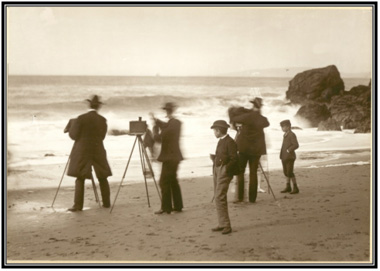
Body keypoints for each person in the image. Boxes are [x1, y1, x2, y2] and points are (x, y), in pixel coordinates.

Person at [66, 95, 112, 212]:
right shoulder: (102, 120)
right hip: (98, 150)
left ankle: (78, 206)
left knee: (80, 178)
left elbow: (73, 136)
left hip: (82, 151)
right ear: (98, 107)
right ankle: (106, 203)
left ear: (89, 105)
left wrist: (70, 128)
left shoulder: (80, 118)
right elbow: (102, 136)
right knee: (102, 177)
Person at [230, 97, 270, 203]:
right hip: (256, 150)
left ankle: (240, 197)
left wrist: (243, 110)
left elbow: (235, 119)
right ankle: (252, 199)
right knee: (253, 173)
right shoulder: (261, 119)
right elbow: (266, 123)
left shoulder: (247, 116)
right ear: (260, 107)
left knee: (241, 172)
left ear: (253, 105)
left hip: (244, 149)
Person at [150, 102, 183, 214]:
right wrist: (156, 121)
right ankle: (178, 206)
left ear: (167, 111)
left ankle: (166, 208)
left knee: (163, 182)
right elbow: (166, 126)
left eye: (166, 111)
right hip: (174, 157)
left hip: (170, 158)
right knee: (173, 180)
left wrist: (154, 130)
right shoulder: (176, 123)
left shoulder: (172, 124)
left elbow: (159, 138)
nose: (166, 113)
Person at [210, 120, 239, 235]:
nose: (214, 133)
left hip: (223, 171)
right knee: (218, 197)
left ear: (219, 131)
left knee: (219, 197)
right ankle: (222, 223)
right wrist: (214, 159)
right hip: (217, 168)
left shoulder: (230, 142)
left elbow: (234, 159)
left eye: (214, 130)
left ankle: (226, 225)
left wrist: (226, 170)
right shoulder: (222, 140)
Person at [279, 119, 299, 194]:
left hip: (290, 157)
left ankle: (295, 187)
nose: (282, 128)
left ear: (288, 127)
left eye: (283, 127)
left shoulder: (292, 134)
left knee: (290, 172)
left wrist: (288, 150)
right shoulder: (285, 134)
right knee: (286, 172)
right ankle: (288, 186)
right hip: (284, 156)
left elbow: (296, 145)